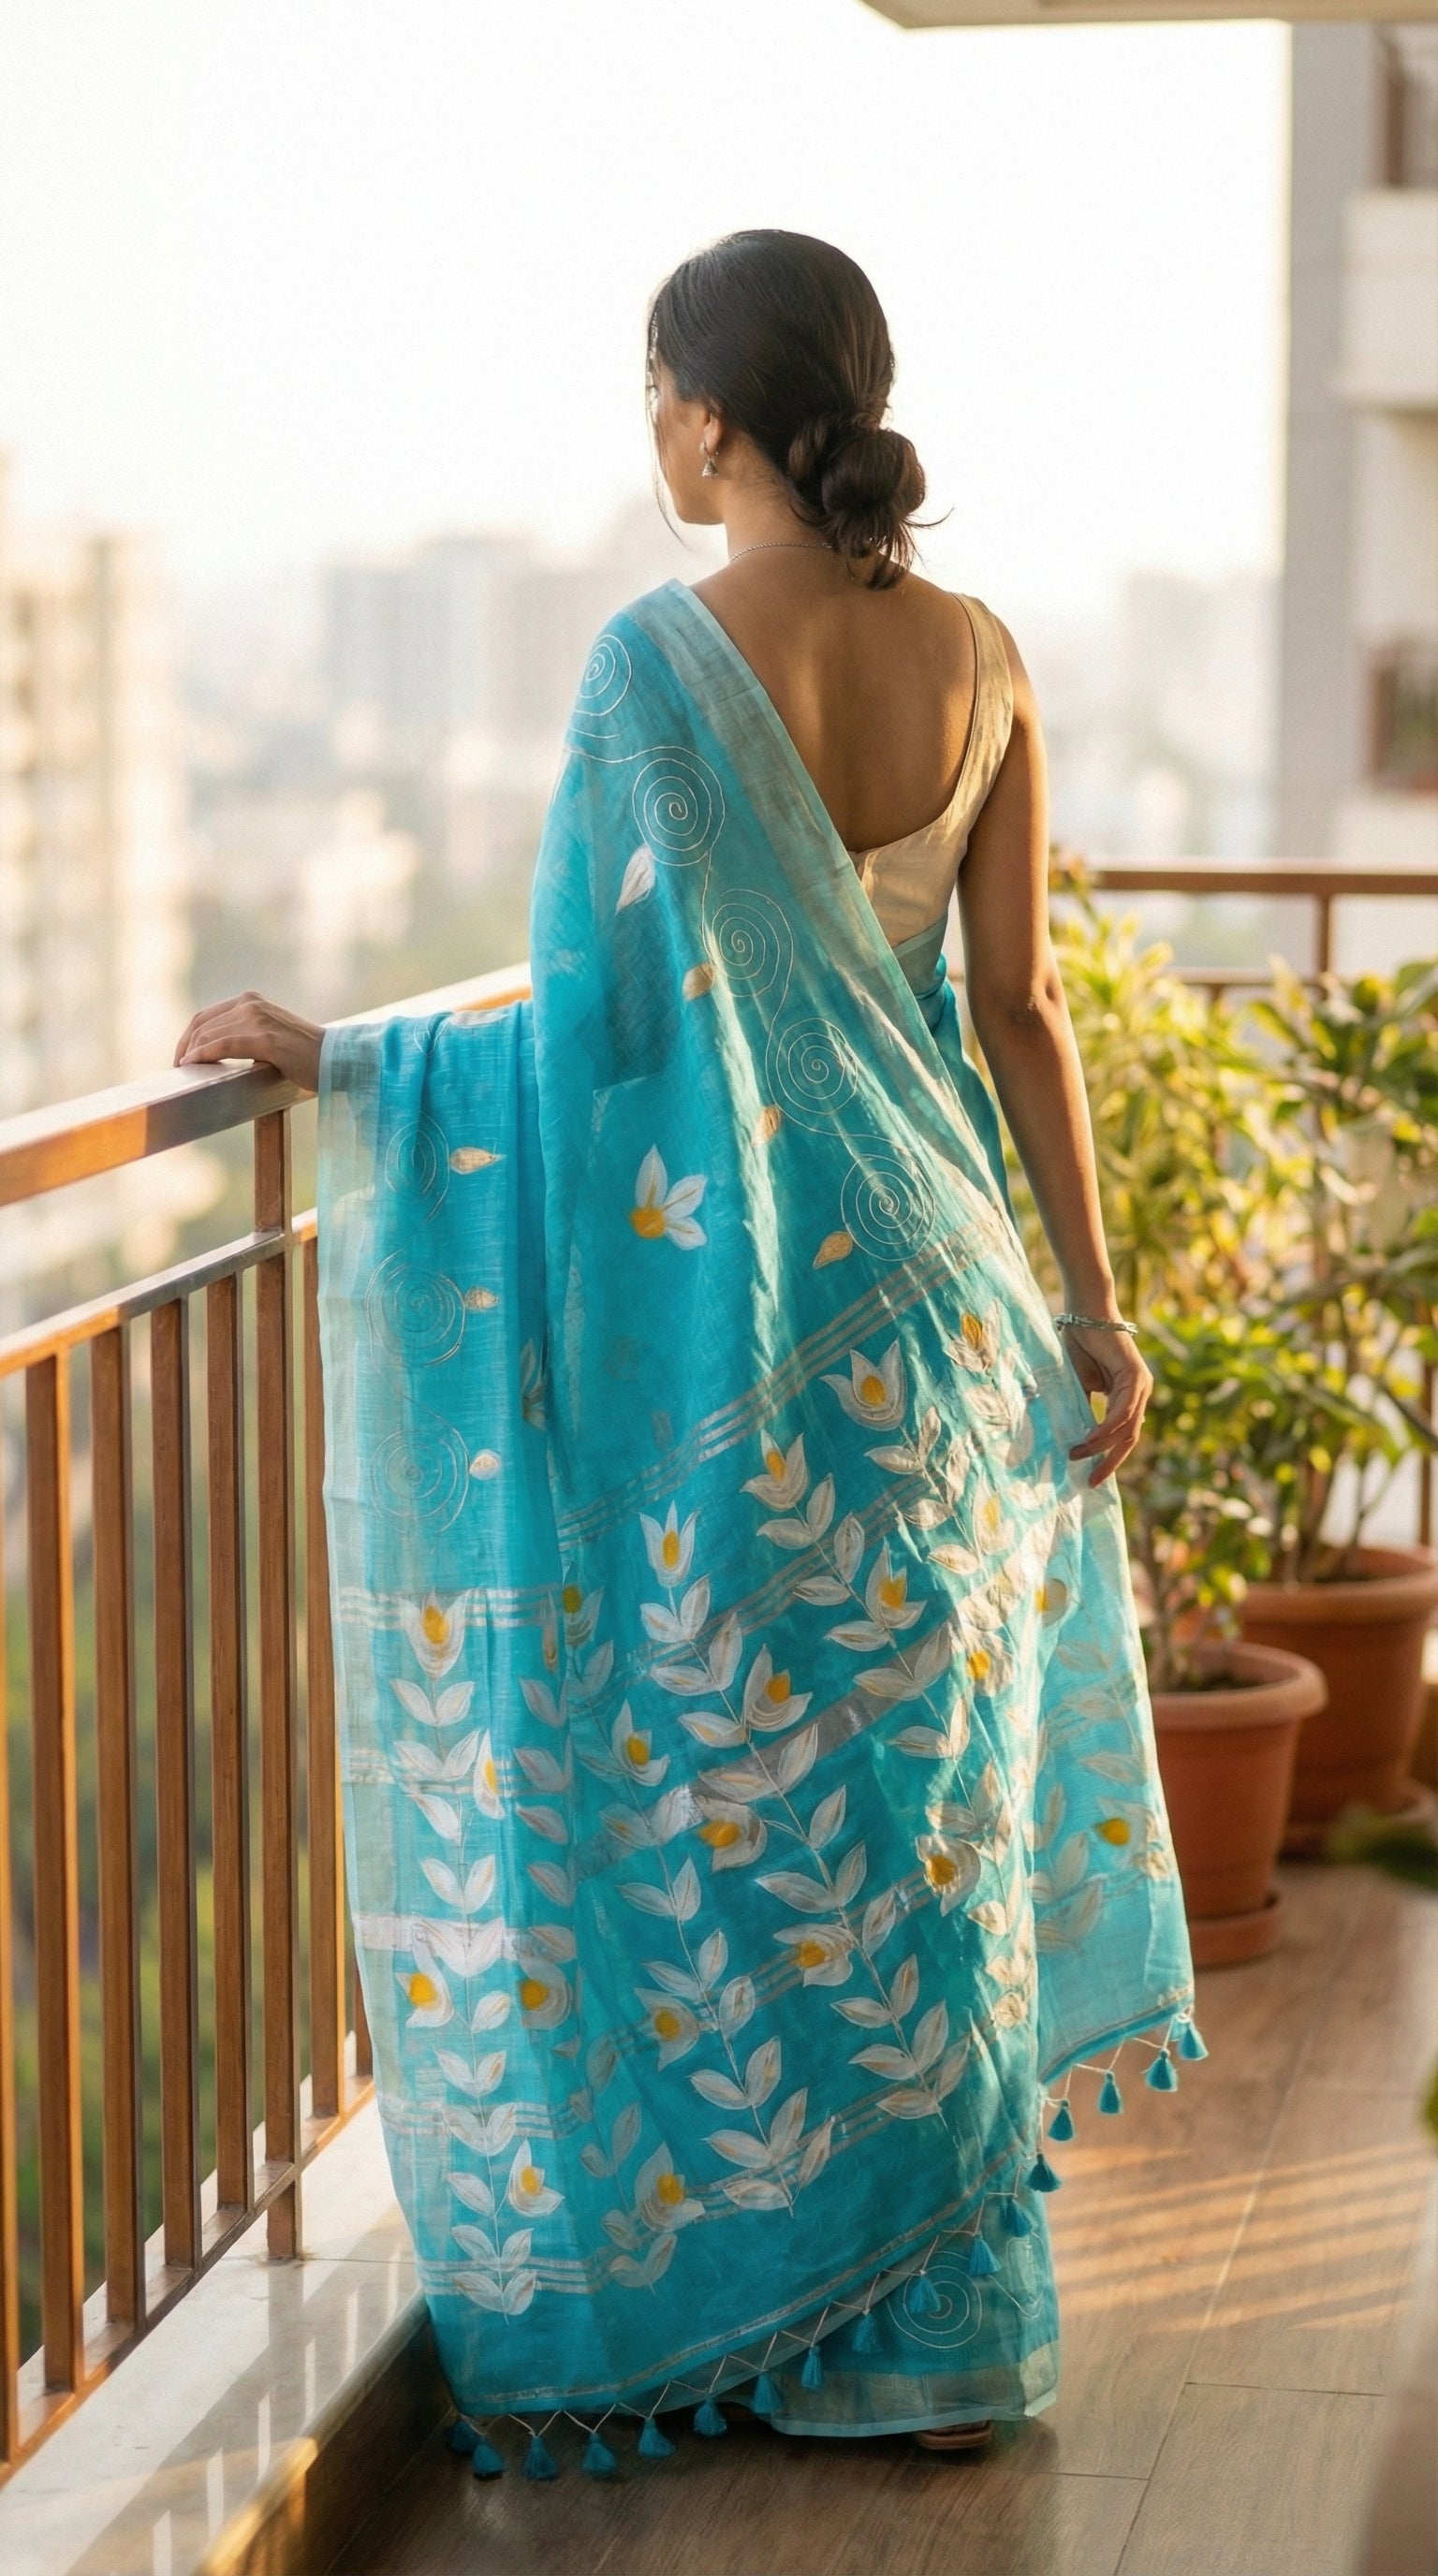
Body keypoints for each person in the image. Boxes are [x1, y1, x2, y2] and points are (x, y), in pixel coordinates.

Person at [176, 230, 1196, 2473]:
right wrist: (1093, 1303)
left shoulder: (656, 665)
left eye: (656, 390)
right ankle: (952, 2351)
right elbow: (1022, 1008)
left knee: (751, 1825)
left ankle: (780, 2326)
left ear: (708, 414)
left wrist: (356, 1060)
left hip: (747, 1346)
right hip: (943, 1332)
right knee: (922, 1834)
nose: (651, 429)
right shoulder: (986, 654)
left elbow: (605, 1034)